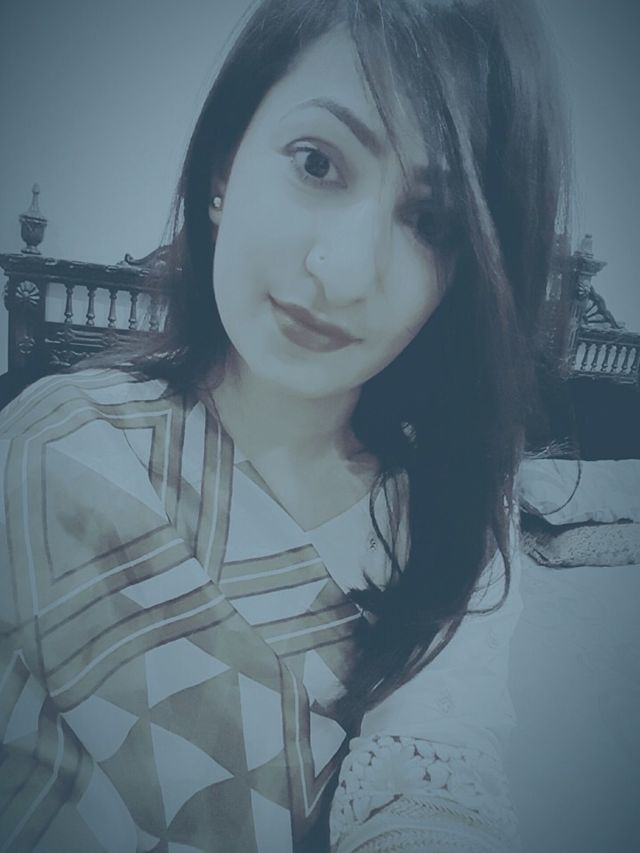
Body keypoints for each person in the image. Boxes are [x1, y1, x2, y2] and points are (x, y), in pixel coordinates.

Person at [0, 0, 568, 850]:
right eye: (317, 163)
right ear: (223, 165)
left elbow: (434, 784)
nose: (344, 270)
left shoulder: (453, 526)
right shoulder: (50, 450)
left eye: (431, 222)